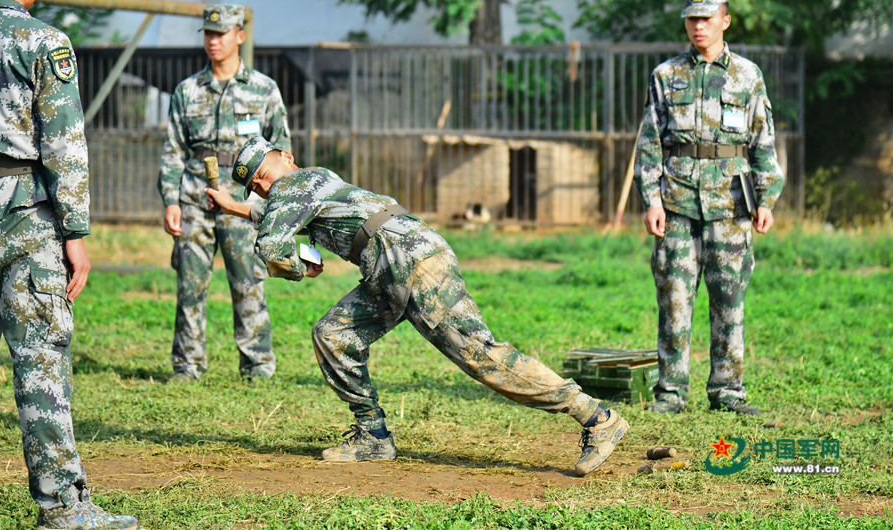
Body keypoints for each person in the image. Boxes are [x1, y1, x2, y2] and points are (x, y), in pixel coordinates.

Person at [204, 136, 630, 477]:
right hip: (389, 265)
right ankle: (373, 436)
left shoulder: (293, 185)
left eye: (263, 173)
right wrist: (238, 207)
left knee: (482, 356)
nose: (262, 185)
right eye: (254, 185)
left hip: (408, 260)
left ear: (285, 157)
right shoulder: (306, 184)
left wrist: (298, 267)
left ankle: (597, 416)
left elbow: (273, 244)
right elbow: (276, 213)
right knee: (334, 335)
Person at [0, 0, 139, 529]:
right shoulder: (42, 42)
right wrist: (76, 234)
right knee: (40, 364)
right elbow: (65, 145)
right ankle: (64, 506)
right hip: (25, 217)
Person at [633, 0, 785, 416]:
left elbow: (762, 142)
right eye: (691, 19)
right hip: (677, 204)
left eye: (706, 18)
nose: (698, 27)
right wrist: (652, 200)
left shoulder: (747, 76)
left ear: (725, 20)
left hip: (732, 207)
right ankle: (670, 393)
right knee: (675, 301)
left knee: (729, 301)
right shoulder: (666, 76)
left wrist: (766, 199)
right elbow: (650, 143)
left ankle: (728, 392)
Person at [158, 4, 290, 382]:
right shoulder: (187, 91)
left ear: (239, 36)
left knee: (248, 283)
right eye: (208, 34)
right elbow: (173, 151)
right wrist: (170, 200)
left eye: (221, 33)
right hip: (195, 200)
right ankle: (187, 366)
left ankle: (257, 366)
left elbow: (281, 150)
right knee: (190, 287)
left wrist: (273, 203)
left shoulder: (264, 90)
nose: (213, 41)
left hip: (244, 201)